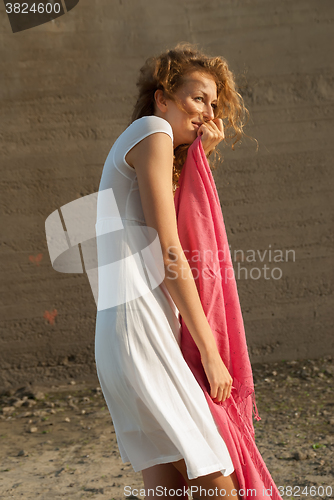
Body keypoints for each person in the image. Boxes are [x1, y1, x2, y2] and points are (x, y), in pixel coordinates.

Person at [94, 42, 249, 500]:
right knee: (217, 483)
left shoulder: (153, 143)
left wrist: (200, 153)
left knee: (168, 487)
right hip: (139, 331)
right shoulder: (153, 130)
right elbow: (172, 252)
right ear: (162, 97)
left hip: (124, 332)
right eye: (197, 97)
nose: (207, 111)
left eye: (214, 103)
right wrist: (210, 350)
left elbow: (189, 222)